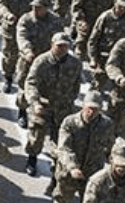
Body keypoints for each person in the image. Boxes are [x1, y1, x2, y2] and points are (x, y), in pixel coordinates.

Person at [49, 89, 115, 203]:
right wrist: (72, 167)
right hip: (69, 172)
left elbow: (110, 146)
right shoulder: (70, 123)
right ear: (83, 106)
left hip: (93, 172)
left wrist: (112, 160)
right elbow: (64, 148)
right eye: (89, 108)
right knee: (62, 201)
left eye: (95, 109)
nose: (91, 112)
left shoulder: (106, 124)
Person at [22, 32, 82, 177]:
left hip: (63, 108)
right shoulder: (41, 61)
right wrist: (35, 103)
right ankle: (32, 159)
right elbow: (31, 83)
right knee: (37, 135)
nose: (62, 49)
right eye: (59, 46)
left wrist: (69, 100)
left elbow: (76, 85)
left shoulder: (75, 63)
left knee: (62, 140)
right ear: (52, 45)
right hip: (43, 106)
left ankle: (56, 169)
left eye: (65, 46)